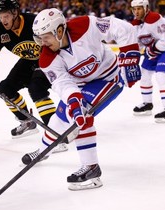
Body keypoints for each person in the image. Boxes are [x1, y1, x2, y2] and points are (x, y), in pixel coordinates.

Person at [21, 8, 141, 190]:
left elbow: (123, 29)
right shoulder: (46, 57)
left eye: (45, 37)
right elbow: (62, 83)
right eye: (39, 38)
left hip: (108, 77)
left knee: (82, 114)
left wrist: (129, 56)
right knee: (58, 120)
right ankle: (45, 150)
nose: (42, 43)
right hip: (80, 85)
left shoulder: (84, 25)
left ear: (59, 31)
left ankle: (92, 168)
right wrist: (73, 100)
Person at [0, 0, 67, 153]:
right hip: (29, 60)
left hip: (48, 58)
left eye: (6, 16)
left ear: (15, 13)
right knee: (5, 88)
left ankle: (55, 132)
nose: (3, 20)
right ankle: (27, 121)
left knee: (36, 88)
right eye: (0, 16)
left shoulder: (34, 22)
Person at [131, 0, 165, 123]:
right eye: (134, 9)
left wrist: (153, 49)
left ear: (146, 8)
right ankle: (147, 104)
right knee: (144, 74)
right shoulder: (136, 24)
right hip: (155, 50)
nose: (137, 12)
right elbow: (138, 44)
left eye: (139, 8)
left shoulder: (155, 19)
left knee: (161, 76)